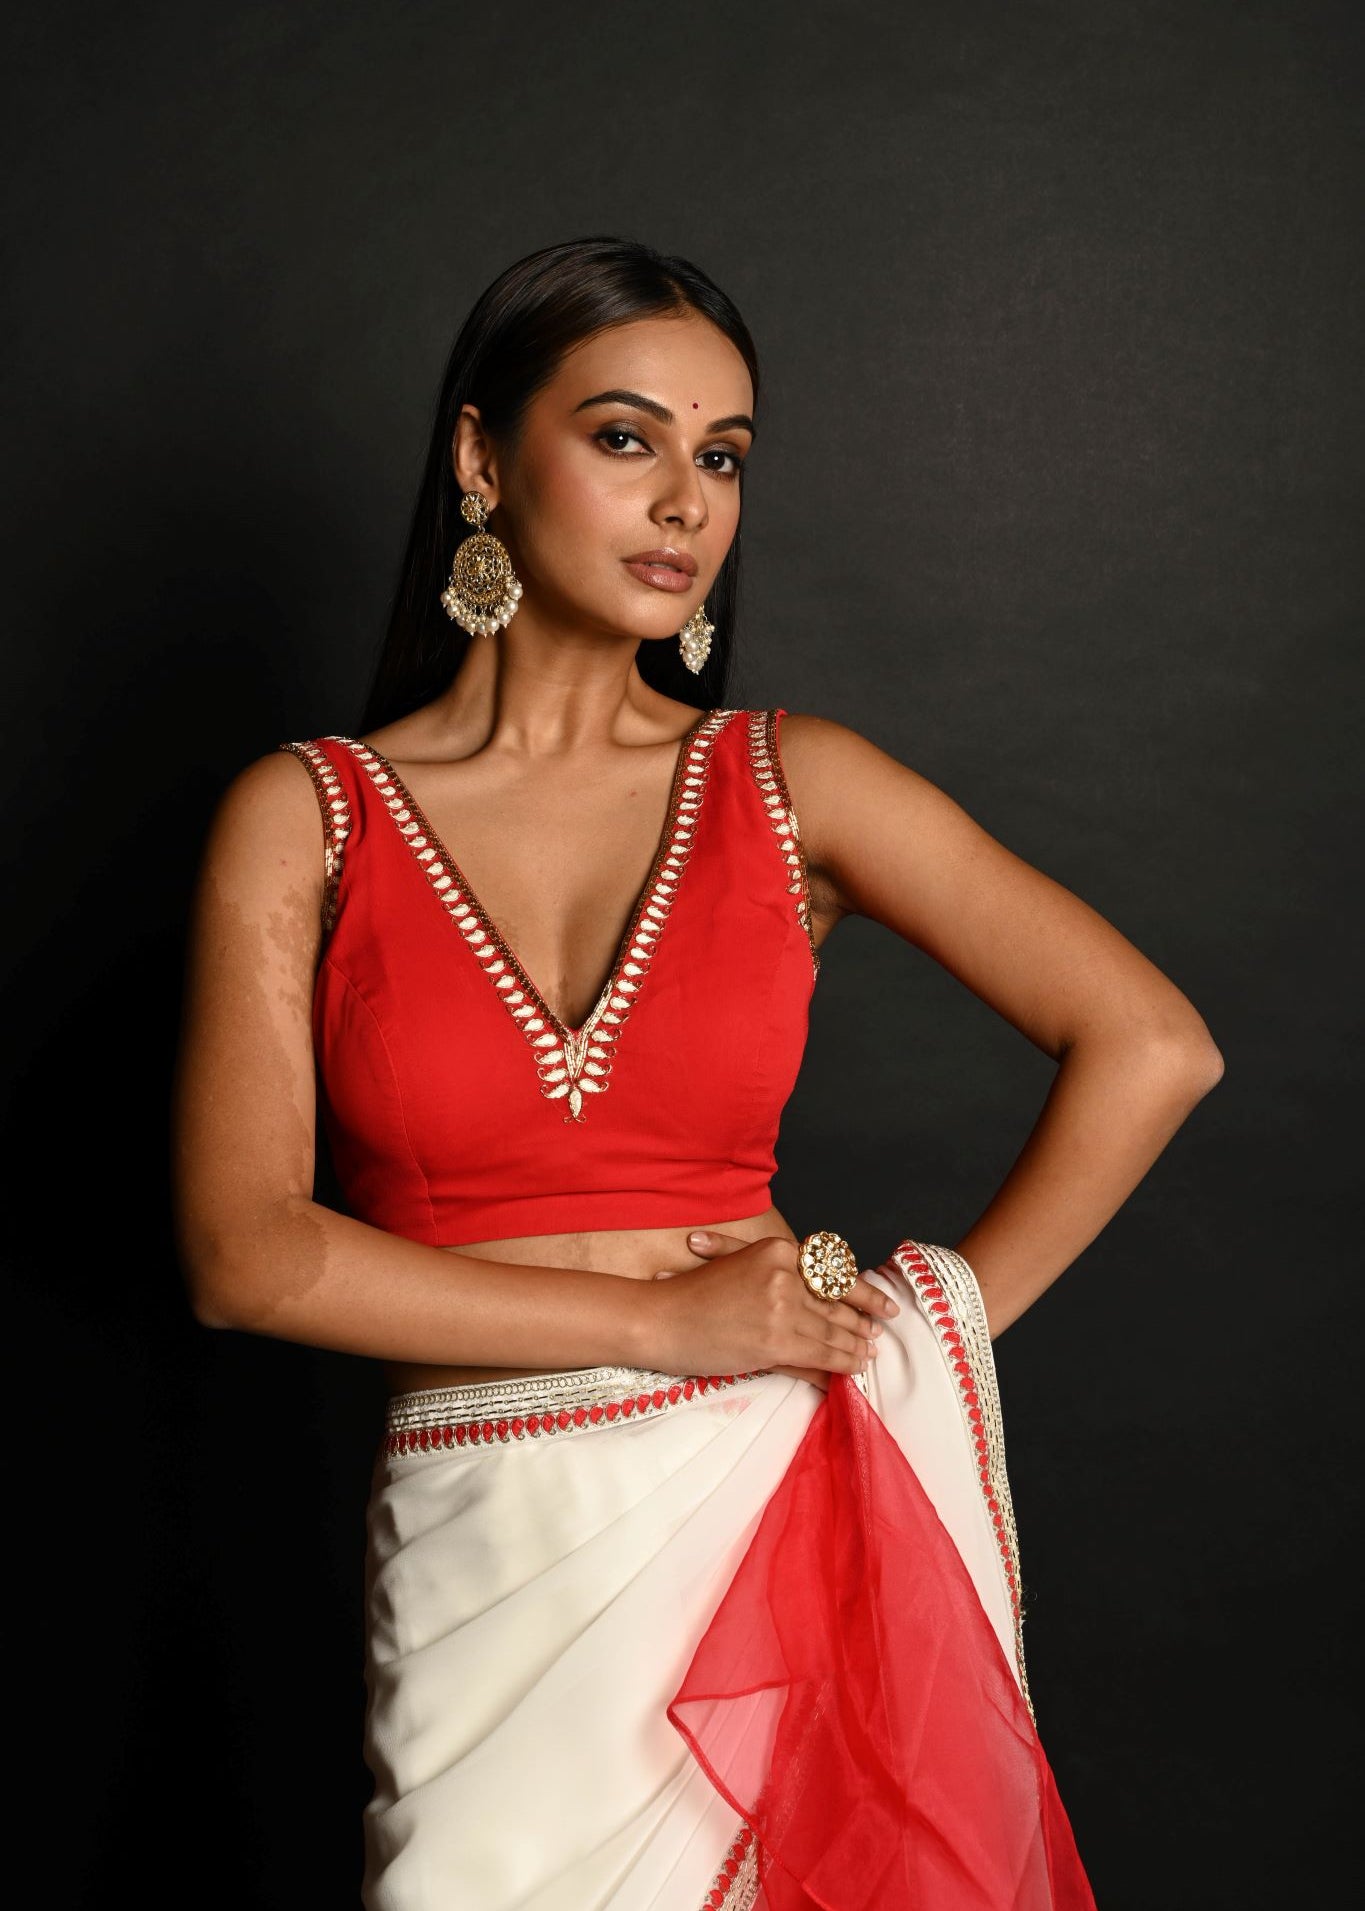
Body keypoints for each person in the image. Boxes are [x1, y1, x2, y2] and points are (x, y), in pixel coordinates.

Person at [171, 235, 1223, 1910]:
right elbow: (247, 1256)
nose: (684, 500)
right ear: (476, 460)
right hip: (492, 1535)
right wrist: (666, 1323)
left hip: (769, 1503)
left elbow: (1153, 1045)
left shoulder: (793, 783)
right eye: (623, 437)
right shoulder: (306, 818)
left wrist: (903, 1356)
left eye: (720, 457)